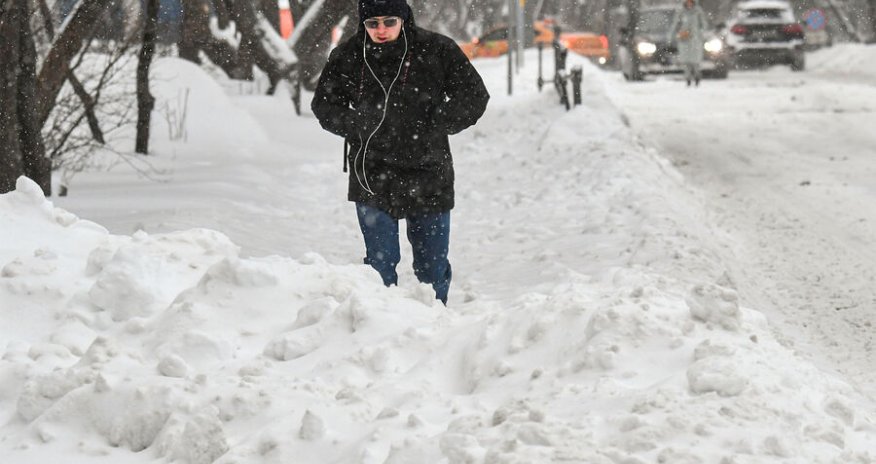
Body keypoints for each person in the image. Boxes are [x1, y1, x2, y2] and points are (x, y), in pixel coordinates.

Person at [311, 0, 490, 305]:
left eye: (389, 22)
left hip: (428, 172)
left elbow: (474, 95)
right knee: (379, 267)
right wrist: (355, 124)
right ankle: (380, 326)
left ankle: (434, 323)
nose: (381, 30)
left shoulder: (437, 50)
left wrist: (438, 120)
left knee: (431, 267)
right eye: (372, 23)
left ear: (404, 18)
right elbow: (324, 105)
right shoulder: (349, 56)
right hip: (371, 174)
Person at [669, 0, 709, 86]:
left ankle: (697, 76)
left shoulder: (698, 12)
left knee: (695, 61)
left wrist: (699, 33)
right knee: (686, 61)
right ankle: (687, 78)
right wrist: (675, 35)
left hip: (695, 40)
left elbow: (704, 25)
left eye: (691, 2)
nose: (689, 4)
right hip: (684, 40)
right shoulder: (681, 12)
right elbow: (675, 25)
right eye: (687, 2)